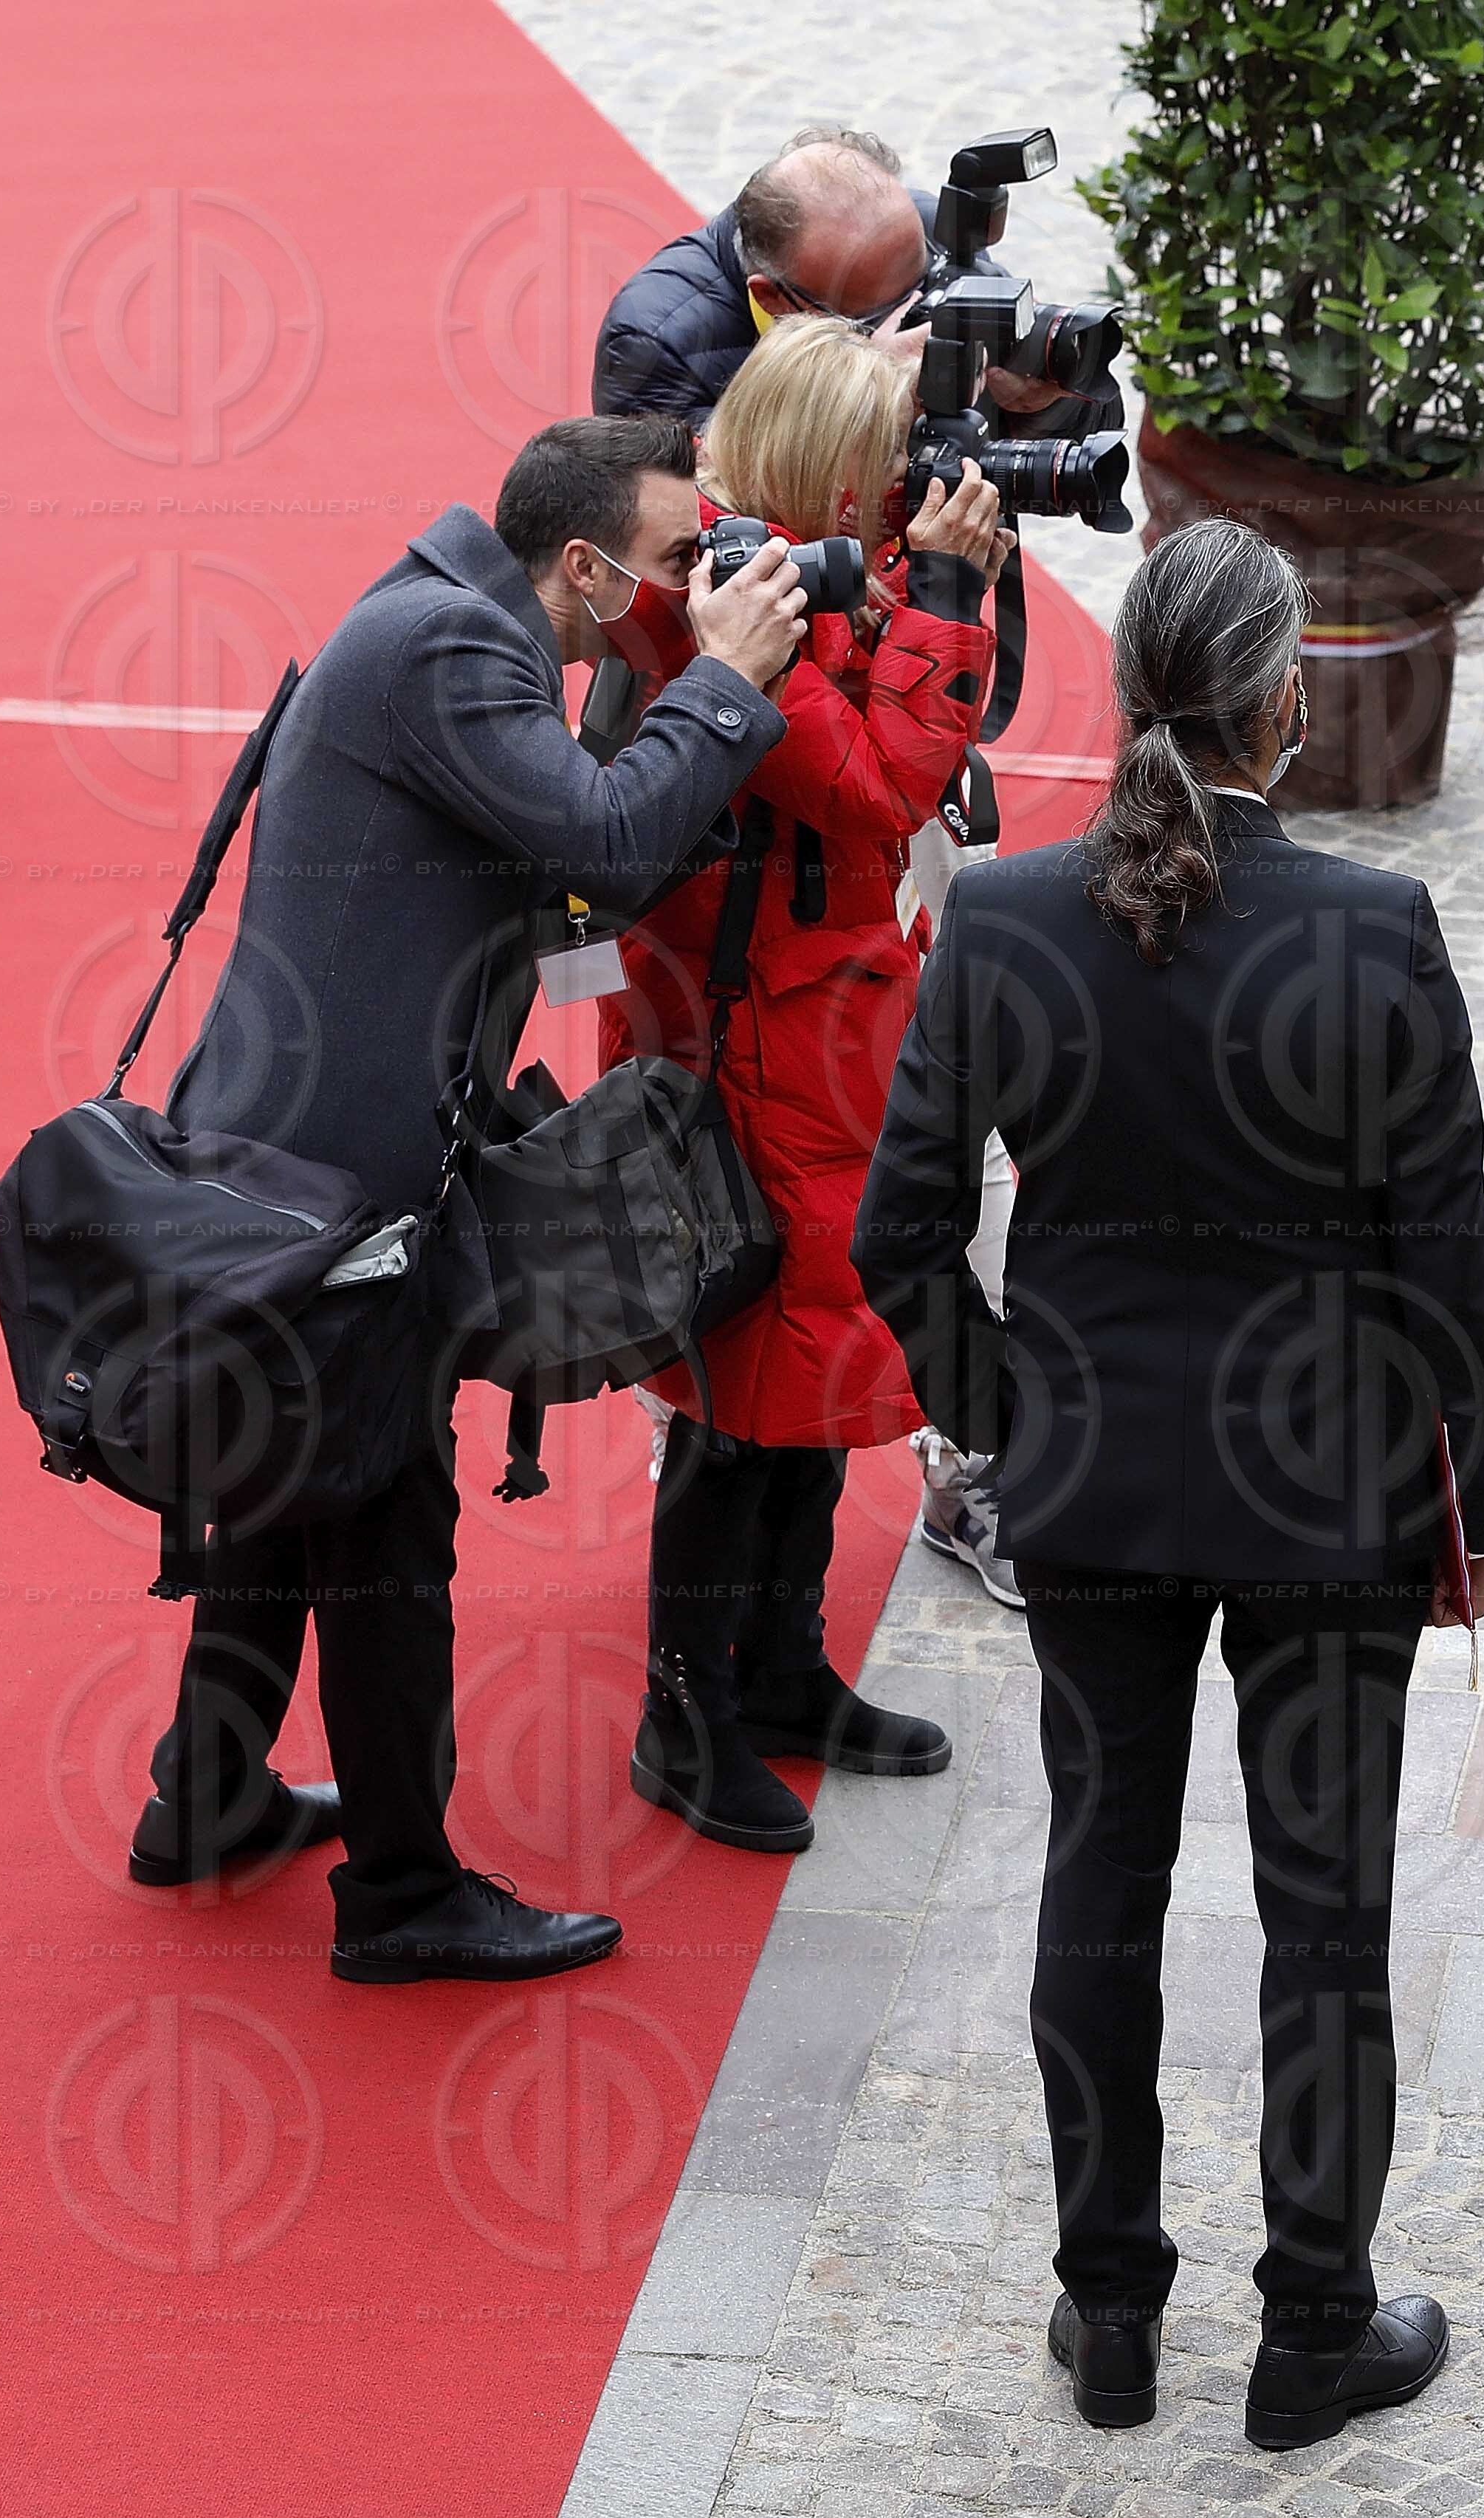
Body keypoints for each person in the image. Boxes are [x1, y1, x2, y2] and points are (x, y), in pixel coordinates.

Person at [853, 518, 1484, 2451]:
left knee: (1098, 1880)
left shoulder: (1005, 920)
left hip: (1098, 1501)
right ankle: (1312, 2317)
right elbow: (1443, 1258)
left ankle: (1110, 2304)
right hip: (1324, 1508)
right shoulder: (1368, 932)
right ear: (1283, 701)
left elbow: (903, 1236)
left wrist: (1014, 1409)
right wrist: (1472, 1489)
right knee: (1324, 1914)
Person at [129, 416, 808, 1983]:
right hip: (344, 1180)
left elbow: (560, 886)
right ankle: (405, 1892)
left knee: (281, 1483)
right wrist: (723, 684)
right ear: (580, 567)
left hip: (286, 1149)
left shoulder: (454, 621)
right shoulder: (453, 646)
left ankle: (208, 1793)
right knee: (381, 1515)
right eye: (662, 563)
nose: (680, 588)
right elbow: (607, 842)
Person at [600, 317, 1012, 1851]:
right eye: (886, 459)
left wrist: (934, 597)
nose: (909, 482)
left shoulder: (810, 573)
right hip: (758, 1043)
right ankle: (679, 1713)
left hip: (832, 1030)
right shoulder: (735, 596)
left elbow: (904, 744)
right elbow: (873, 780)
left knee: (828, 1371)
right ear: (830, 473)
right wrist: (951, 597)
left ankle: (777, 1670)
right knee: (738, 1398)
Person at [592, 123, 1117, 438]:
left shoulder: (925, 230)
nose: (918, 312)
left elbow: (1077, 435)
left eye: (924, 286)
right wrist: (868, 386)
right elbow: (698, 526)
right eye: (872, 318)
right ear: (773, 298)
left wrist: (1036, 407)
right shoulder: (656, 343)